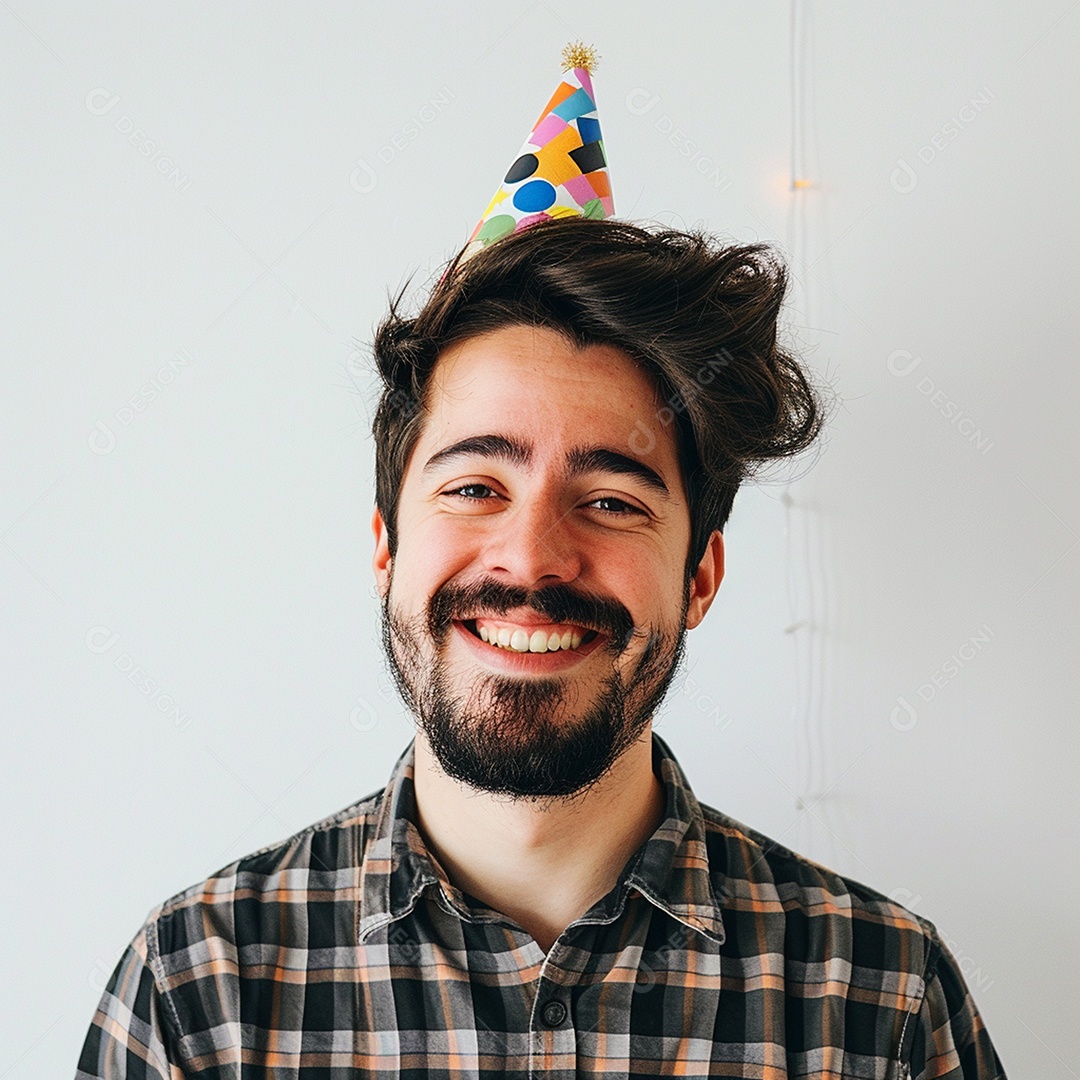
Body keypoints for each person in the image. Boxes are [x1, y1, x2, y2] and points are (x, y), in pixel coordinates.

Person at [77, 46, 1006, 1080]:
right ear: (385, 546)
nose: (531, 558)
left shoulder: (877, 999)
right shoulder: (199, 992)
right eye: (475, 487)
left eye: (611, 501)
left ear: (700, 575)